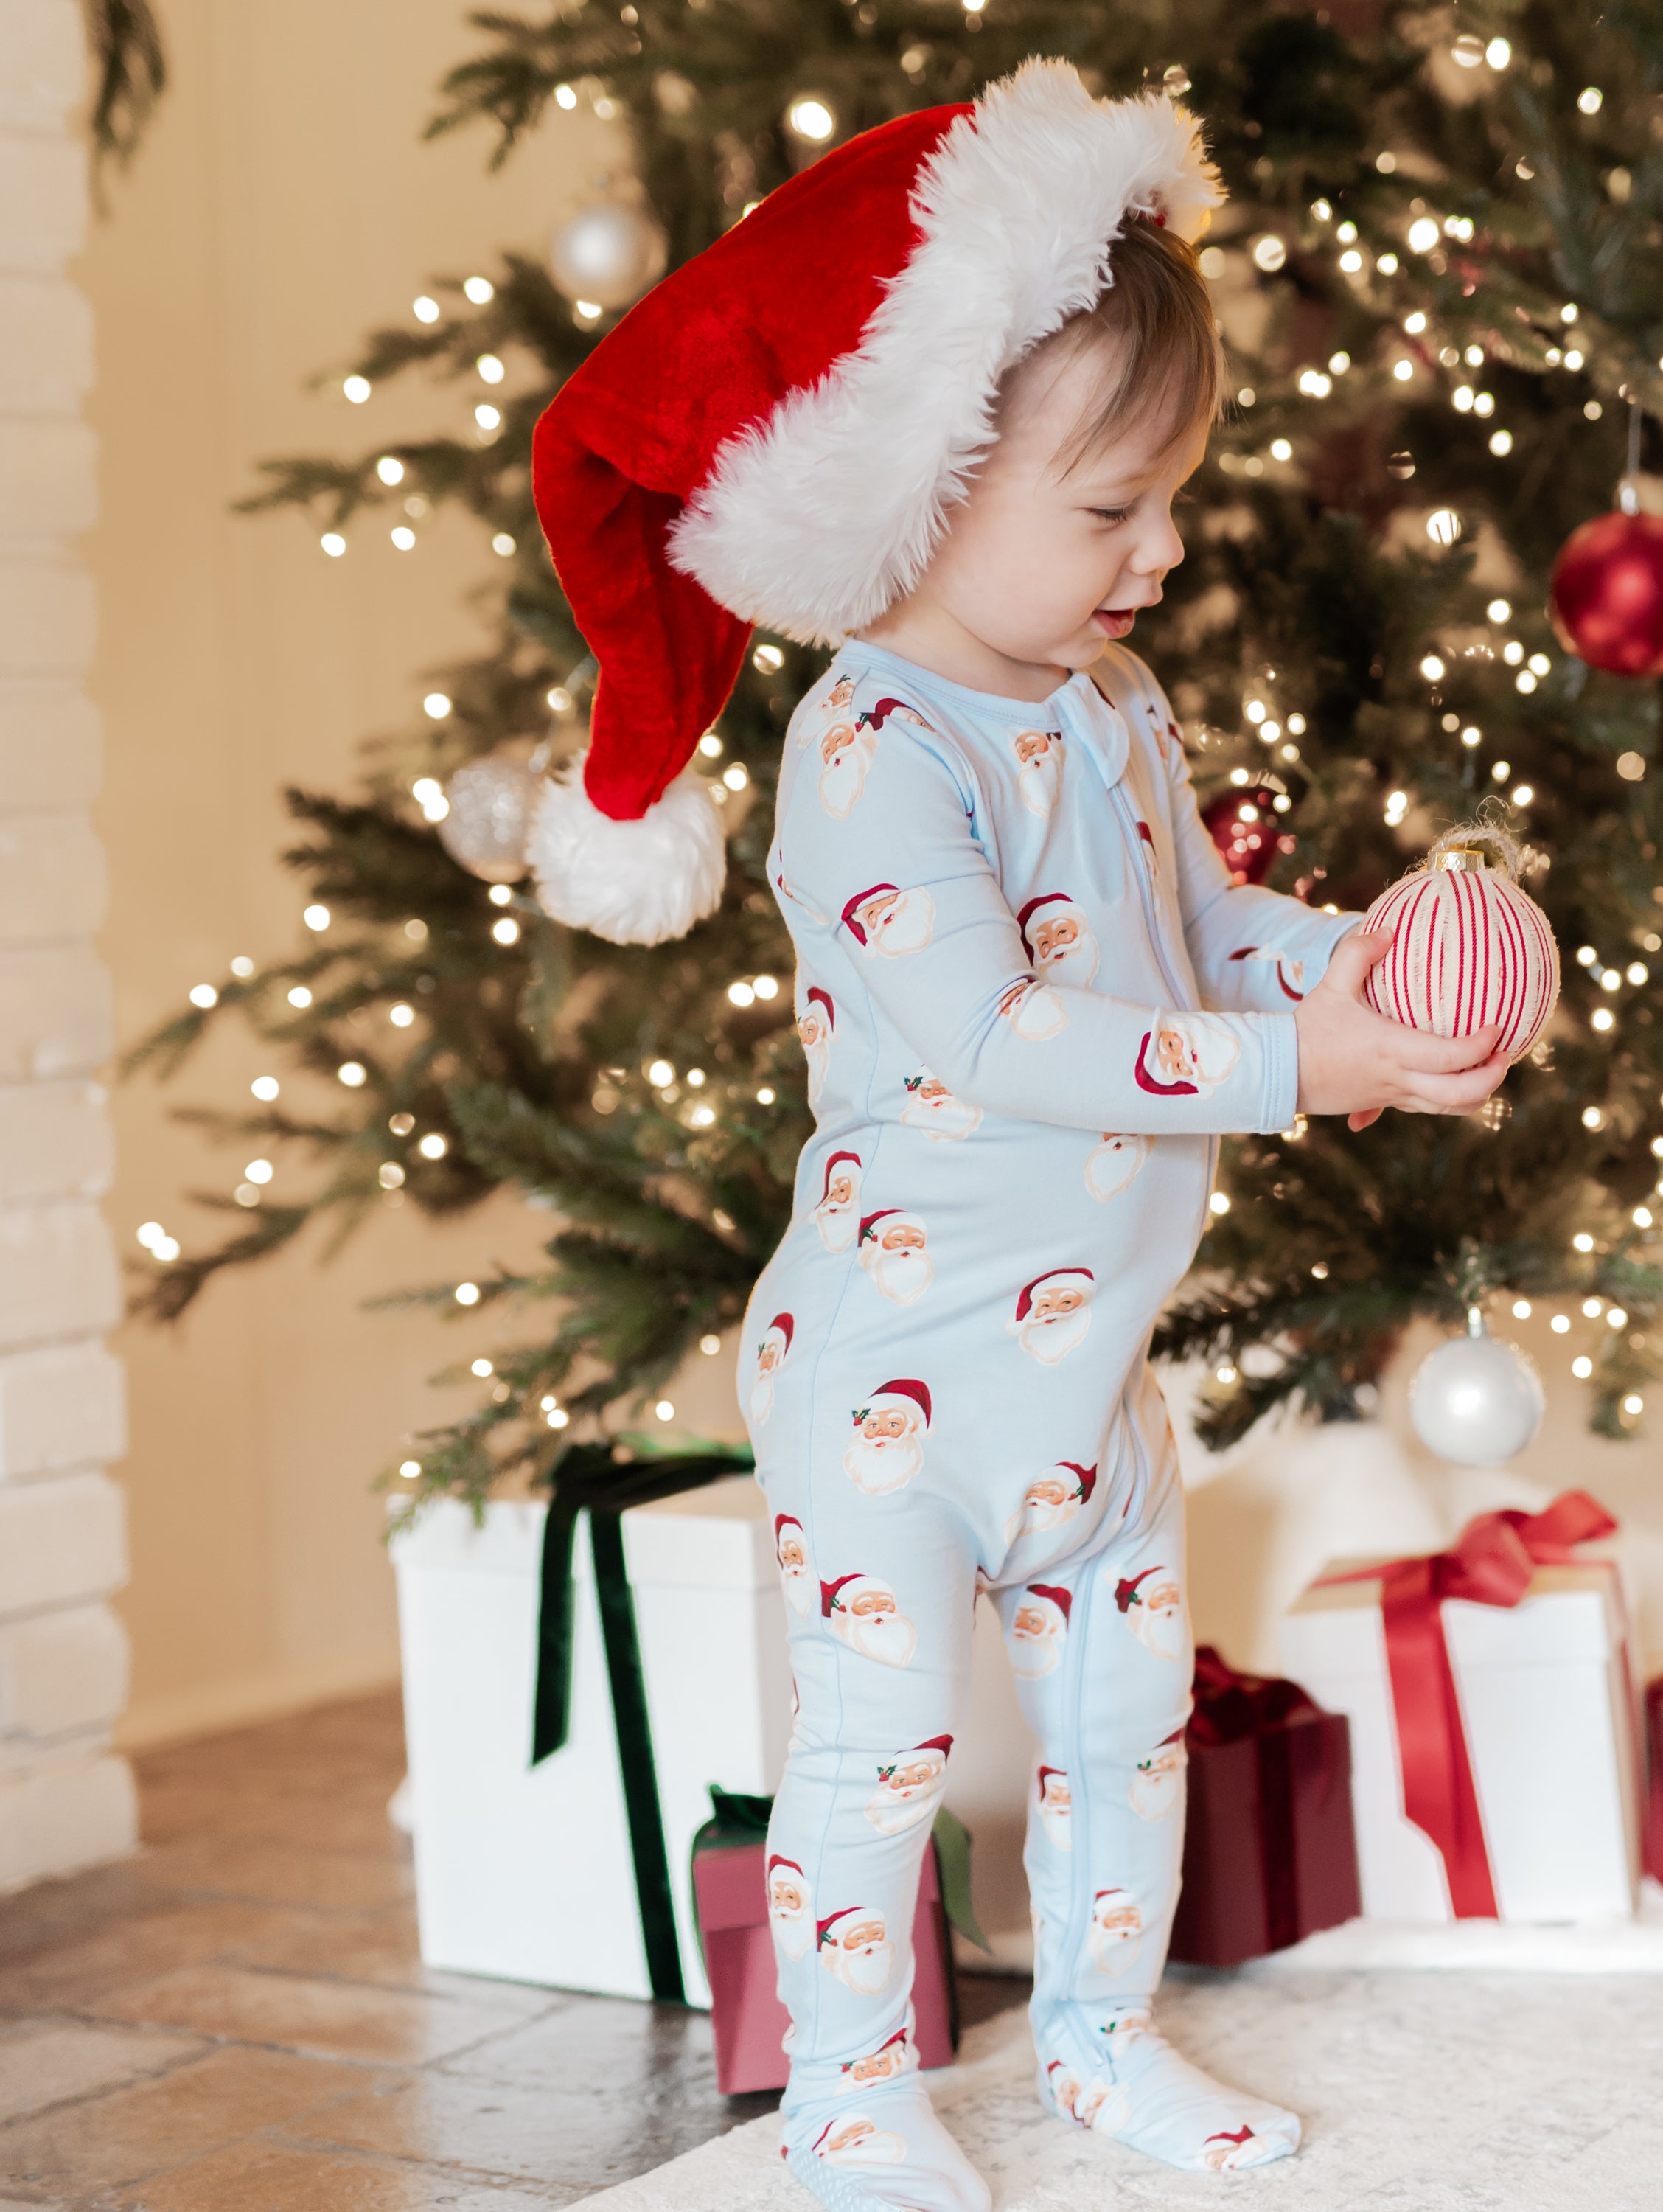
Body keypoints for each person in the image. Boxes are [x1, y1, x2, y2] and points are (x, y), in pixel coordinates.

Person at [529, 56, 1506, 2212]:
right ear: (930, 479)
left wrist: (1359, 973)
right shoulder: (871, 750)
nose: (1158, 549)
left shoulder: (1111, 702)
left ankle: (1095, 2040)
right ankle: (853, 2089)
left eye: (1172, 498)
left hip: (1085, 1383)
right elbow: (1000, 1032)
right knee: (875, 1763)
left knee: (1115, 1734)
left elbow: (1188, 928)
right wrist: (1288, 1077)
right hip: (894, 1380)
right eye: (1110, 507)